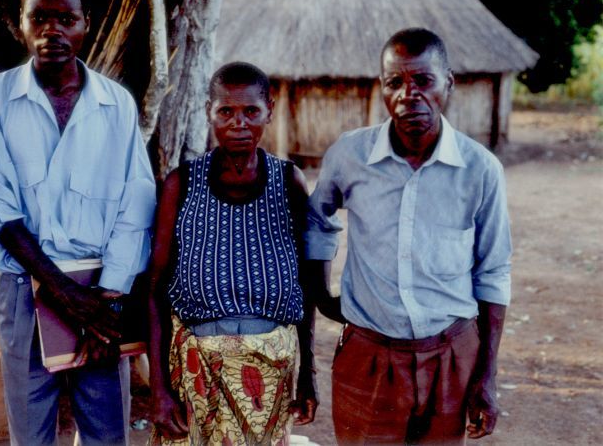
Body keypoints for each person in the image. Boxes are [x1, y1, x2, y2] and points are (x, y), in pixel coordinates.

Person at [0, 0, 155, 445]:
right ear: (20, 24)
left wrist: (105, 297)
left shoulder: (116, 105)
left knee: (108, 431)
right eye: (40, 18)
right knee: (30, 433)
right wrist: (63, 292)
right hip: (26, 288)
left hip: (102, 292)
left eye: (65, 19)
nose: (53, 31)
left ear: (85, 24)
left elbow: (137, 203)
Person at [307, 28, 512, 445]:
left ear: (448, 84)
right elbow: (317, 221)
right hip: (369, 357)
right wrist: (321, 293)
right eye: (395, 83)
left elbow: (493, 271)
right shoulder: (349, 156)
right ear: (381, 88)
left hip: (453, 356)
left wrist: (486, 376)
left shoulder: (480, 169)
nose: (408, 94)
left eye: (423, 81)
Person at [148, 62, 318, 445]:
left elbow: (306, 286)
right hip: (197, 371)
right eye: (226, 111)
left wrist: (308, 376)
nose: (238, 123)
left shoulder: (288, 182)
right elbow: (156, 288)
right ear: (209, 112)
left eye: (250, 111)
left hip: (270, 374)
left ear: (269, 112)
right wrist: (159, 391)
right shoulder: (182, 184)